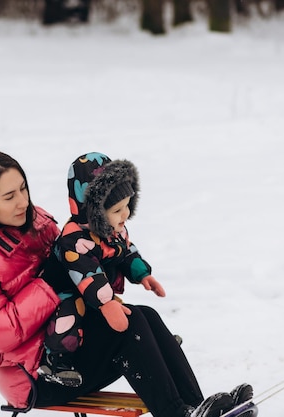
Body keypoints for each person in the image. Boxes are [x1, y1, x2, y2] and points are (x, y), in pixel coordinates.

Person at [0, 150, 253, 417]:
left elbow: (79, 259)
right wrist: (51, 286)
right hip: (41, 372)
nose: (22, 202)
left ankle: (197, 407)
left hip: (73, 333)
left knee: (144, 316)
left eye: (23, 189)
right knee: (130, 327)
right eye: (9, 196)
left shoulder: (33, 220)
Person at [38, 152, 167, 388]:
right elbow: (87, 273)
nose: (125, 215)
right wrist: (106, 302)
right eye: (118, 210)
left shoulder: (113, 229)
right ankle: (56, 360)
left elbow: (126, 251)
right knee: (70, 314)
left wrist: (142, 274)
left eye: (127, 206)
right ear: (93, 210)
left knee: (131, 314)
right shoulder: (74, 238)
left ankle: (156, 344)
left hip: (96, 293)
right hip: (67, 292)